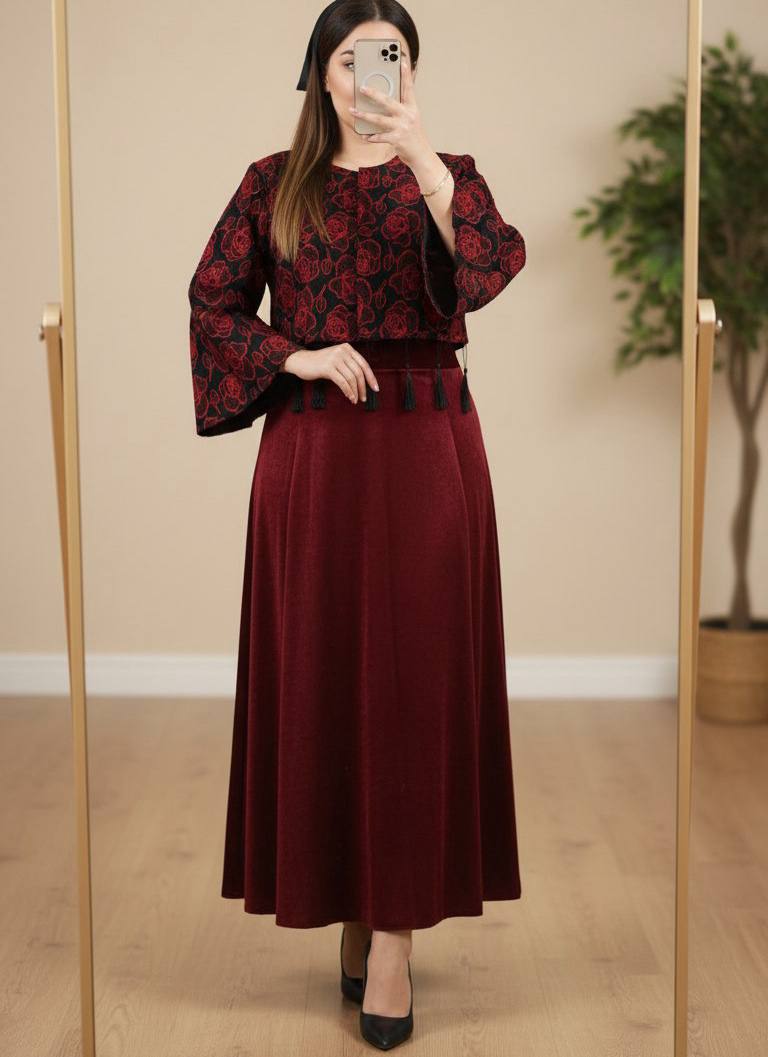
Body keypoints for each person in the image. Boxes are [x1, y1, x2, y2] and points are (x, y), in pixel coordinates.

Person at [187, 0, 526, 1048]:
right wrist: (295, 355)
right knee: (326, 679)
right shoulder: (271, 184)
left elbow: (491, 269)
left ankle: (393, 943)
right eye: (351, 57)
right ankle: (349, 899)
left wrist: (423, 158)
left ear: (409, 72)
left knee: (417, 685)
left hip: (428, 448)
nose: (371, 72)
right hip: (316, 454)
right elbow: (212, 305)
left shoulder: (448, 173)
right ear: (320, 74)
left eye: (391, 56)